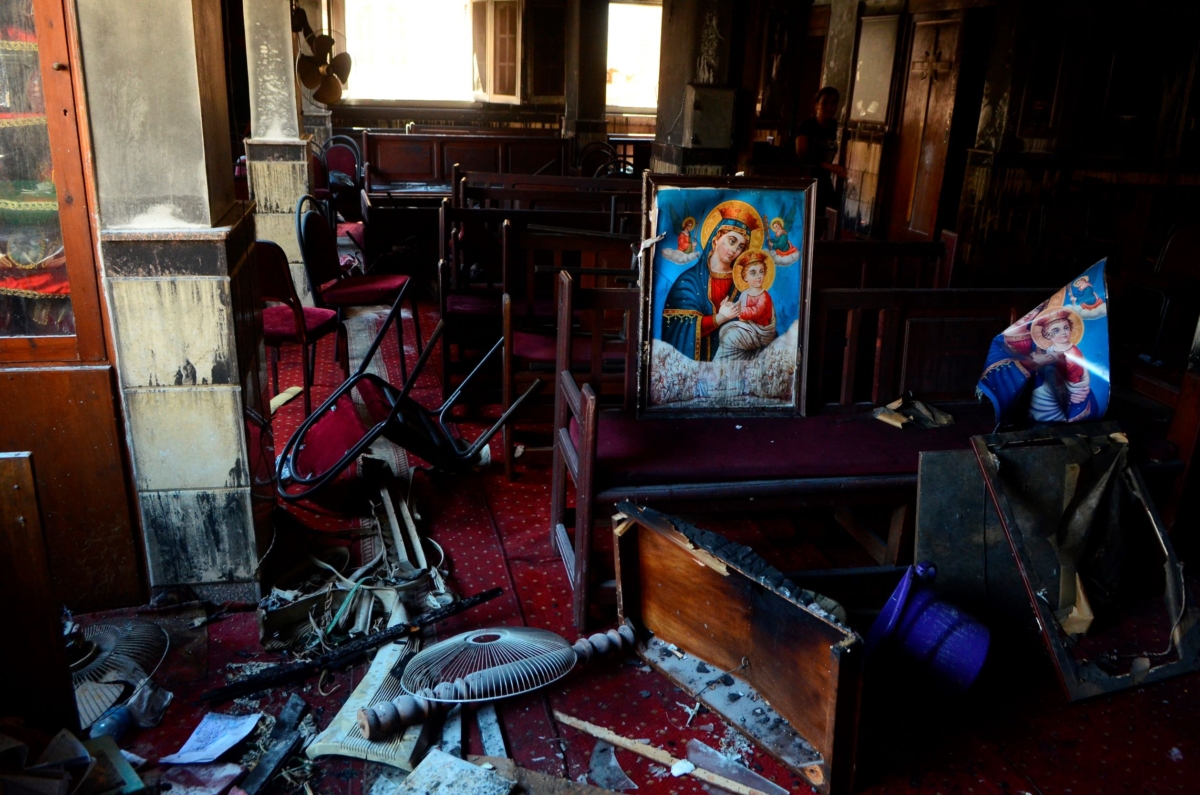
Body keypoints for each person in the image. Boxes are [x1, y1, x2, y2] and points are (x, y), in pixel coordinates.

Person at [661, 201, 761, 362]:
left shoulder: (743, 284)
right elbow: (678, 328)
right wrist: (720, 318)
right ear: (716, 239)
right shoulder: (688, 282)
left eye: (741, 247)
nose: (735, 250)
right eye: (732, 241)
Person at [716, 249, 778, 362]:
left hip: (760, 333)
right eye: (753, 273)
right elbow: (738, 305)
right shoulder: (745, 293)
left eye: (761, 271)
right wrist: (728, 306)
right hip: (749, 329)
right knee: (724, 331)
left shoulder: (764, 296)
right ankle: (723, 365)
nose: (759, 276)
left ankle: (719, 365)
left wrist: (737, 310)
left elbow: (754, 311)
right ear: (745, 277)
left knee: (730, 337)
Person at [795, 86, 848, 212]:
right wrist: (830, 167)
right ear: (817, 105)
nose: (830, 107)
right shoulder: (806, 126)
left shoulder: (834, 127)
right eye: (825, 102)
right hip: (806, 182)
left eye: (833, 103)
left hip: (824, 183)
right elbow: (803, 156)